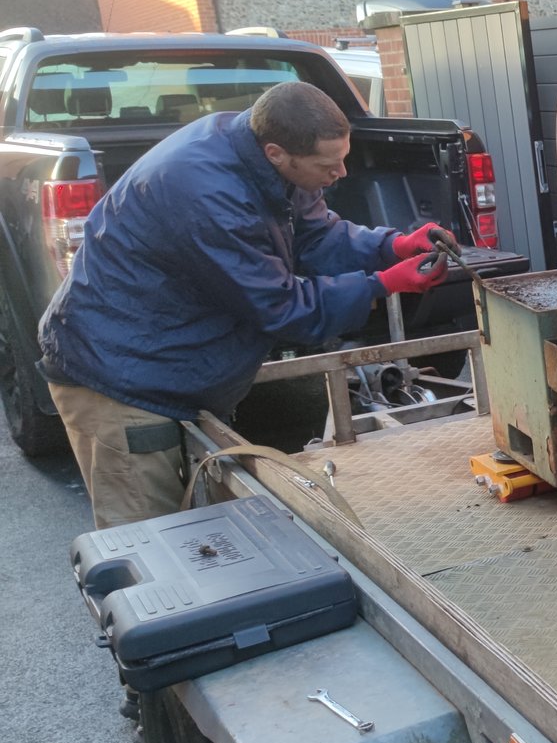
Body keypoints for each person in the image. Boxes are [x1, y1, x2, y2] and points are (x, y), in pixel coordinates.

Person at [38, 80, 453, 529]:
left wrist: (391, 247)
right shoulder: (207, 194)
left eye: (343, 158)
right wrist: (381, 285)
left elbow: (316, 236)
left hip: (175, 365)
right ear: (276, 153)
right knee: (153, 542)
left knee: (211, 538)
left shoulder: (268, 156)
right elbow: (281, 307)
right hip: (121, 380)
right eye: (327, 165)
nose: (341, 172)